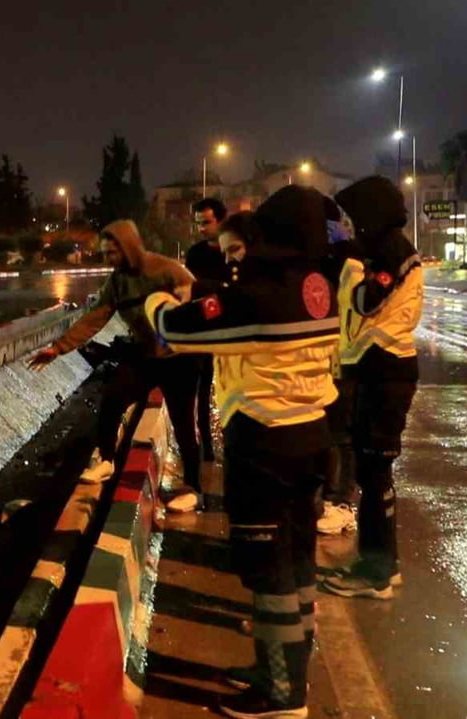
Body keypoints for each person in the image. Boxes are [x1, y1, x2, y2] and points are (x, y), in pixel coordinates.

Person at [146, 185, 339, 718]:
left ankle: (281, 697)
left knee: (269, 571)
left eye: (242, 250)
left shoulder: (260, 297)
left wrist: (158, 296)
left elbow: (174, 329)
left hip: (266, 445)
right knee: (297, 566)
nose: (238, 261)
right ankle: (282, 672)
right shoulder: (314, 285)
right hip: (311, 436)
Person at [28, 220, 202, 512]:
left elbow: (199, 301)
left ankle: (195, 490)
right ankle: (107, 460)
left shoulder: (168, 270)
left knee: (183, 422)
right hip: (145, 356)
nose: (109, 259)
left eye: (113, 253)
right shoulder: (117, 282)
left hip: (180, 359)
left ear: (129, 248)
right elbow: (96, 317)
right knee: (112, 400)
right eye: (106, 254)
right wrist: (59, 348)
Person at [319, 176, 424, 600]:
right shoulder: (379, 249)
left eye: (352, 217)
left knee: (376, 473)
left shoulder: (392, 252)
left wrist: (350, 257)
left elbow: (366, 303)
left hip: (386, 369)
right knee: (371, 471)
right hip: (372, 367)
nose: (348, 224)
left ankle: (377, 570)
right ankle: (380, 563)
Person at [316, 199, 360, 535]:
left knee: (341, 436)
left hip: (346, 360)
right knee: (327, 434)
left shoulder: (349, 260)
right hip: (324, 359)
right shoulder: (323, 260)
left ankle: (342, 502)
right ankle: (328, 497)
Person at [186, 198, 229, 463]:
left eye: (206, 222)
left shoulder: (235, 252)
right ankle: (207, 453)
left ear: (221, 220)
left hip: (230, 334)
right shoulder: (196, 254)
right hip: (202, 333)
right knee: (201, 393)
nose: (201, 228)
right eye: (198, 223)